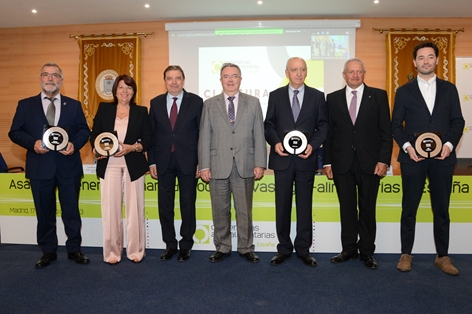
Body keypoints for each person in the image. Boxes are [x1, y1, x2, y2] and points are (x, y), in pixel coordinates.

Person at [392, 42, 464, 275]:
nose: (425, 61)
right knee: (409, 207)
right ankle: (406, 254)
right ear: (414, 62)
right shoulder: (403, 91)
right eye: (421, 58)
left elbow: (458, 122)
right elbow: (395, 125)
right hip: (413, 159)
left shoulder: (449, 89)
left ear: (436, 60)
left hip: (443, 159)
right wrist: (407, 147)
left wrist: (450, 144)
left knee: (441, 208)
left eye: (430, 57)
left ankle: (442, 256)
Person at [9, 62, 91, 268]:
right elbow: (14, 132)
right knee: (44, 212)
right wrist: (32, 143)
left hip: (68, 167)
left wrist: (74, 144)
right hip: (40, 168)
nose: (50, 79)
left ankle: (74, 249)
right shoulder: (25, 105)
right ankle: (48, 251)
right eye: (46, 75)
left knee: (71, 211)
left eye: (55, 75)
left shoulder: (73, 105)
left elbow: (84, 131)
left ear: (61, 80)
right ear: (40, 79)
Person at [323, 58, 392, 269]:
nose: (355, 75)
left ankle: (367, 252)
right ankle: (349, 249)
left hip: (370, 164)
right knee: (347, 208)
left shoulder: (378, 96)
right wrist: (326, 162)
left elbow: (385, 132)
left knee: (368, 209)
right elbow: (329, 133)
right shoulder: (332, 99)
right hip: (341, 163)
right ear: (344, 75)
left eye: (359, 72)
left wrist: (384, 160)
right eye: (351, 72)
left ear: (364, 74)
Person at [198, 63, 267, 263]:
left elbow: (259, 135)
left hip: (245, 164)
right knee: (220, 210)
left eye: (234, 76)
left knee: (244, 210)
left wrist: (260, 163)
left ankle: (246, 248)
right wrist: (204, 166)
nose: (230, 80)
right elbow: (204, 137)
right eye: (226, 76)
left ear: (240, 79)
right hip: (217, 165)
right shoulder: (209, 104)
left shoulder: (253, 103)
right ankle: (222, 246)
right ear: (220, 80)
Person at [264, 57, 328, 267]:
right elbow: (269, 125)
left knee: (304, 206)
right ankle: (283, 249)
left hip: (305, 160)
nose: (298, 73)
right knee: (281, 206)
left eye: (302, 69)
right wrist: (275, 143)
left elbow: (323, 126)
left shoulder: (318, 96)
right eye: (294, 70)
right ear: (287, 72)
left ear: (306, 72)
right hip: (282, 161)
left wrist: (313, 145)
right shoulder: (275, 96)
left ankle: (303, 249)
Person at [90, 74, 152, 264]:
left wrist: (132, 147)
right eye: (121, 87)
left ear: (133, 91)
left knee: (135, 211)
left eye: (129, 88)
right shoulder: (104, 109)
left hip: (133, 166)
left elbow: (148, 140)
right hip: (109, 166)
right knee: (110, 211)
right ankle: (112, 254)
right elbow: (95, 135)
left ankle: (136, 252)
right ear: (115, 91)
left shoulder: (141, 111)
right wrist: (95, 147)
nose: (125, 91)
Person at [148, 66, 203, 262]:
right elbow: (151, 135)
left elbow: (202, 135)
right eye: (170, 78)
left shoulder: (196, 102)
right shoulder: (155, 103)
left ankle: (186, 244)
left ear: (183, 80)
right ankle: (170, 244)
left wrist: (201, 162)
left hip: (189, 161)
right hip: (163, 161)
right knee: (165, 205)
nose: (174, 82)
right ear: (164, 81)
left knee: (188, 204)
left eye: (178, 78)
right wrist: (151, 161)